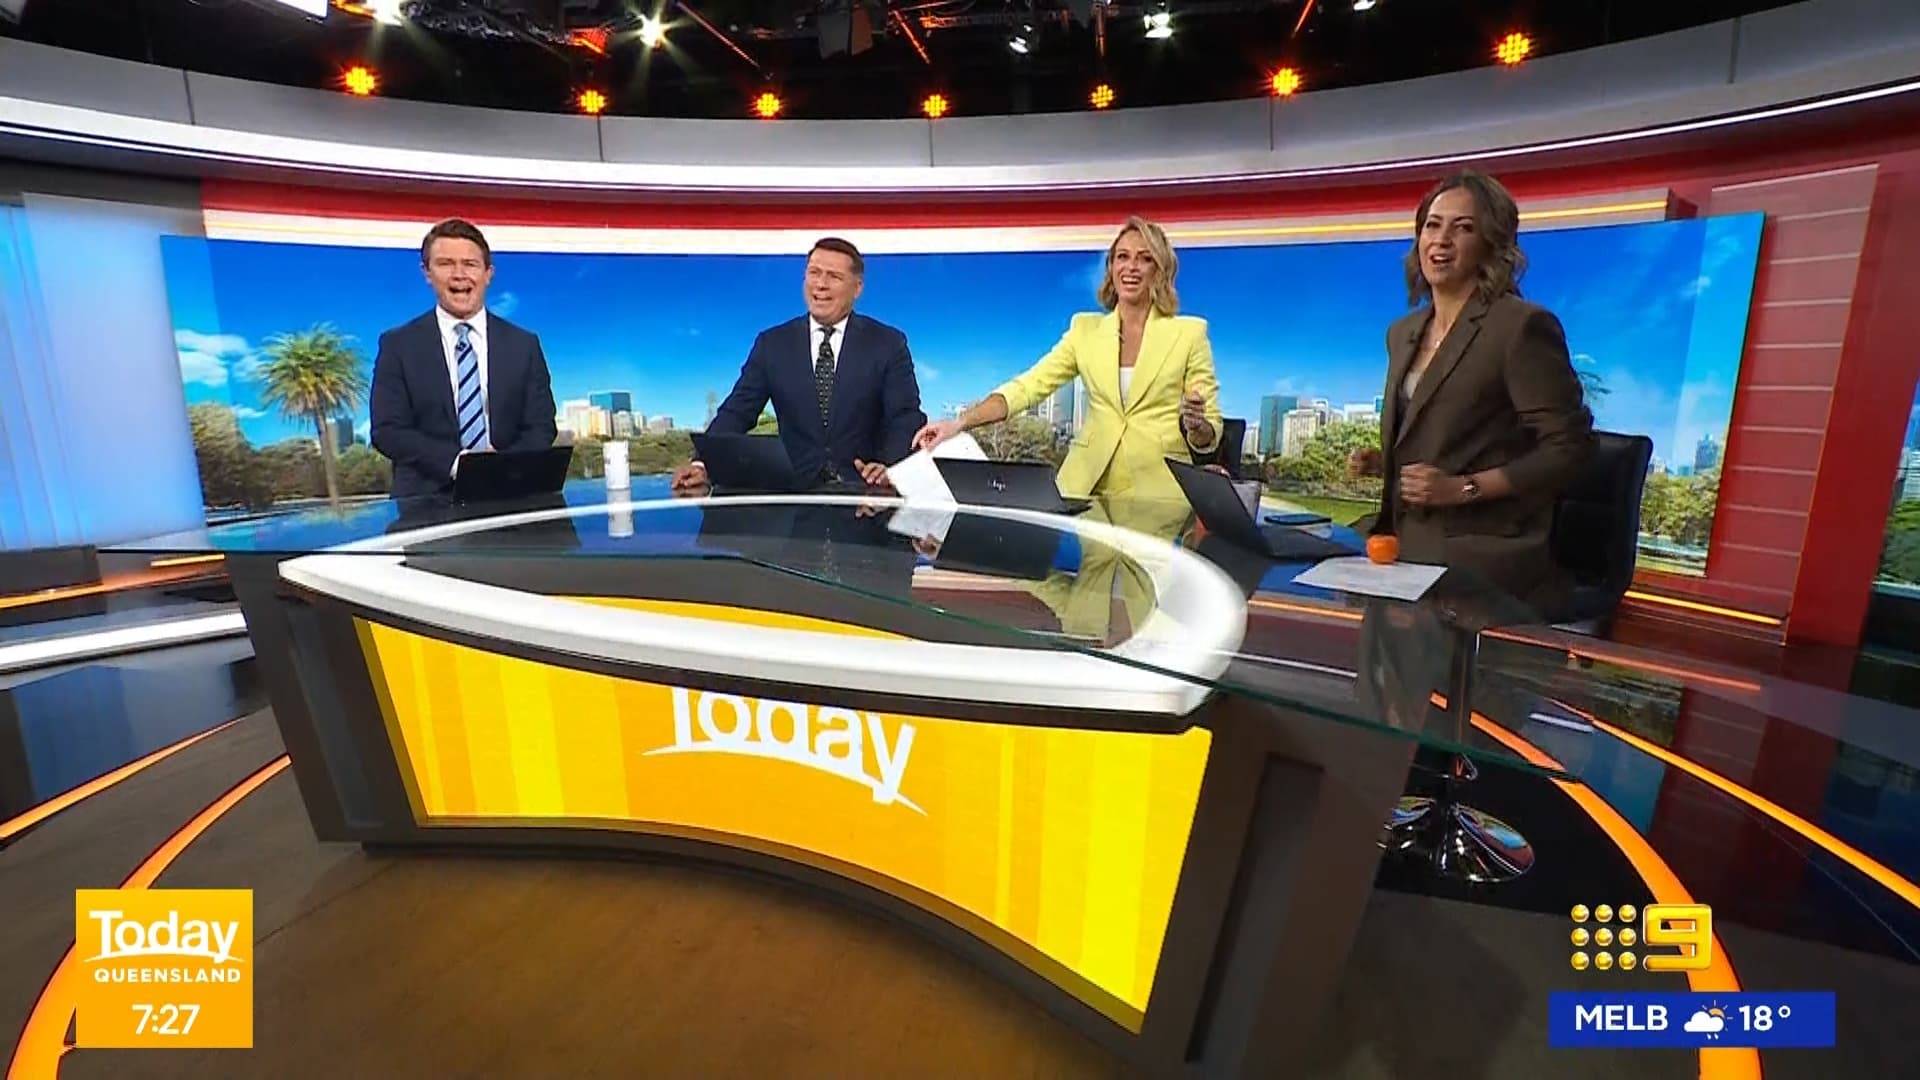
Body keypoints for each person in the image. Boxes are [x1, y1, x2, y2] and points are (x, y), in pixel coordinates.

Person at [1355, 170, 1594, 615]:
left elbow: (1570, 449)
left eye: (1462, 228)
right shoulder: (1402, 332)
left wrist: (1460, 488)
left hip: (1479, 554)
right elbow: (1449, 430)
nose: (1441, 240)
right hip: (1399, 540)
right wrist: (1384, 463)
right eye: (1432, 225)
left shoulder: (1520, 327)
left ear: (1491, 243)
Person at [911, 217, 1221, 506]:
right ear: (1111, 267)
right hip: (1085, 485)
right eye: (1122, 257)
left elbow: (1209, 431)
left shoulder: (1189, 333)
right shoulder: (1084, 329)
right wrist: (959, 423)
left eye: (1145, 258)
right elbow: (1029, 386)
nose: (1131, 267)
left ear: (1161, 269)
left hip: (1159, 493)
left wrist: (1196, 426)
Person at [672, 238, 926, 494]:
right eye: (814, 273)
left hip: (866, 493)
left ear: (857, 287)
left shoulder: (888, 343)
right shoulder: (772, 344)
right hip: (795, 495)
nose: (821, 284)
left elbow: (904, 417)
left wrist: (889, 466)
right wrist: (702, 464)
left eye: (834, 276)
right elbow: (737, 411)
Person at [370, 218, 558, 499]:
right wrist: (460, 464)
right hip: (424, 504)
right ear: (427, 273)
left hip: (509, 495)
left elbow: (541, 426)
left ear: (488, 274)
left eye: (470, 264)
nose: (459, 274)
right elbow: (387, 430)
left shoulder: (524, 345)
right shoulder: (398, 345)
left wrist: (500, 466)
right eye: (445, 263)